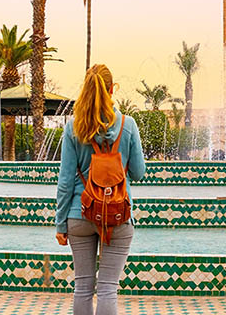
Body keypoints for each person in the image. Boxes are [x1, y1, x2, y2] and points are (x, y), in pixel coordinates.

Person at [55, 64, 146, 315]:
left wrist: (60, 224)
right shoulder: (128, 125)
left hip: (79, 213)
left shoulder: (74, 127)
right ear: (112, 89)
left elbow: (64, 182)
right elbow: (138, 173)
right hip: (117, 215)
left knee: (83, 288)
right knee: (107, 289)